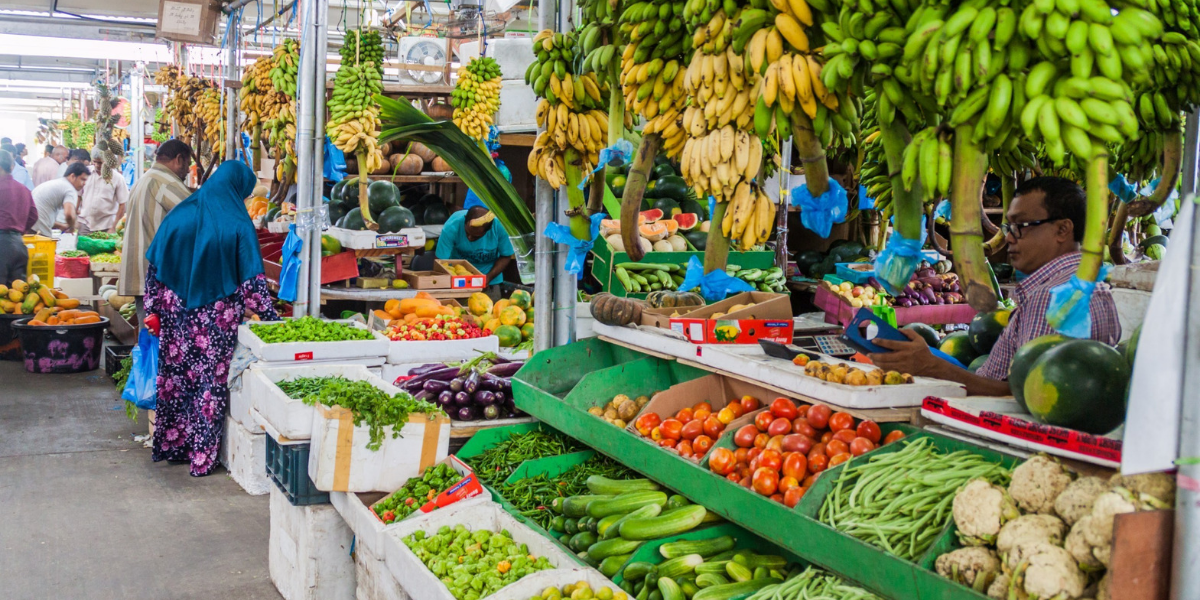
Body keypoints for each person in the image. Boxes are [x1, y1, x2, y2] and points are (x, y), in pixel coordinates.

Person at [869, 177, 1121, 396]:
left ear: (1063, 229)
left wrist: (931, 367)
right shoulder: (1096, 290)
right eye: (1008, 226)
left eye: (1020, 226)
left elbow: (1021, 397)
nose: (1009, 237)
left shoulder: (1051, 298)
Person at [144, 160, 278, 476]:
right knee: (209, 385)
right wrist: (271, 319)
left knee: (176, 378)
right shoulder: (238, 222)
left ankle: (175, 446)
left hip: (176, 312)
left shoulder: (181, 212)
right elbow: (252, 282)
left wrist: (154, 307)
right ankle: (201, 459)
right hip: (214, 320)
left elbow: (155, 265)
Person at [118, 139, 193, 311]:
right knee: (162, 336)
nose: (188, 170)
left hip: (141, 274)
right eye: (187, 163)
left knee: (148, 333)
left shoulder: (143, 179)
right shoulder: (167, 182)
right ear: (179, 159)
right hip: (159, 279)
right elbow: (196, 220)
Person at [435, 205, 514, 293]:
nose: (469, 238)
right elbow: (440, 261)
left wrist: (487, 278)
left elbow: (506, 256)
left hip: (490, 279)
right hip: (457, 280)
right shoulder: (451, 227)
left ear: (489, 229)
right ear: (465, 220)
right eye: (467, 232)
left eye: (476, 236)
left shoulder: (500, 227)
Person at [0, 150, 37, 282]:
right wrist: (19, 230)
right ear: (11, 167)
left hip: (2, 245)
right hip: (19, 245)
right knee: (17, 294)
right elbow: (33, 215)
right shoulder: (24, 189)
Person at [77, 147, 129, 235]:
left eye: (100, 162)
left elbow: (122, 204)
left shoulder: (118, 178)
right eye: (95, 162)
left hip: (107, 226)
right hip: (85, 224)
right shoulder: (84, 173)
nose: (97, 165)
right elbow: (78, 196)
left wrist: (114, 227)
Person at [30, 162, 88, 236]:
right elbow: (69, 214)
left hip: (29, 226)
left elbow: (42, 213)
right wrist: (72, 226)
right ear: (72, 176)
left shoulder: (56, 183)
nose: (84, 183)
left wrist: (60, 226)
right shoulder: (69, 189)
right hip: (39, 232)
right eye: (82, 179)